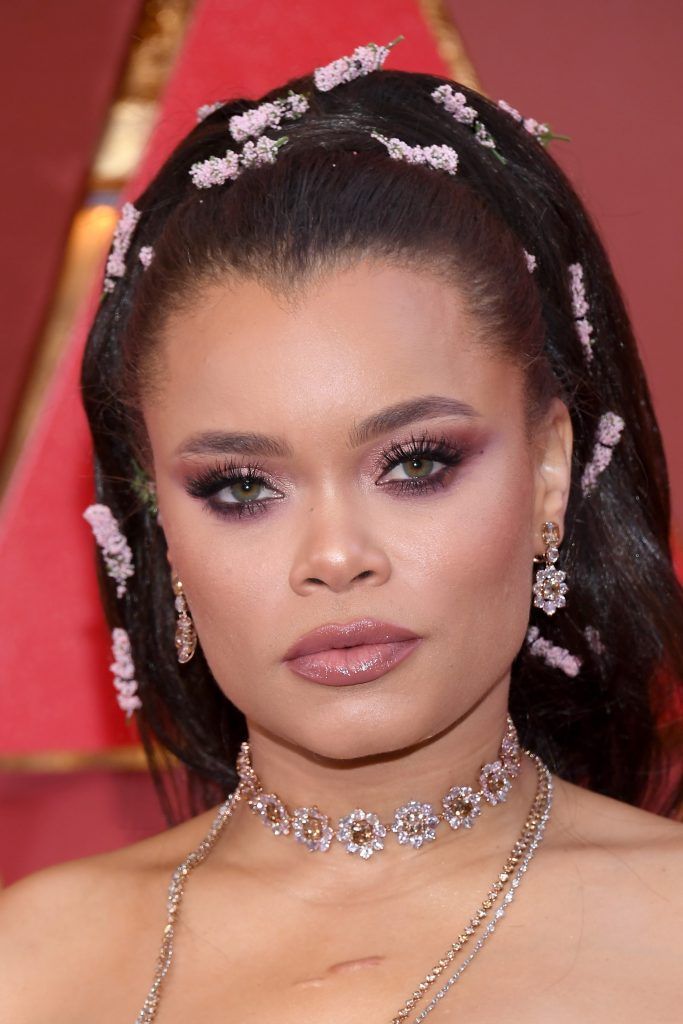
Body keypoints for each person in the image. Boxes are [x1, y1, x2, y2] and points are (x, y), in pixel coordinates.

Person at [1, 41, 682, 1023]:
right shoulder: (33, 966)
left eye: (415, 464)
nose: (333, 556)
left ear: (546, 471)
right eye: (238, 486)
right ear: (162, 532)